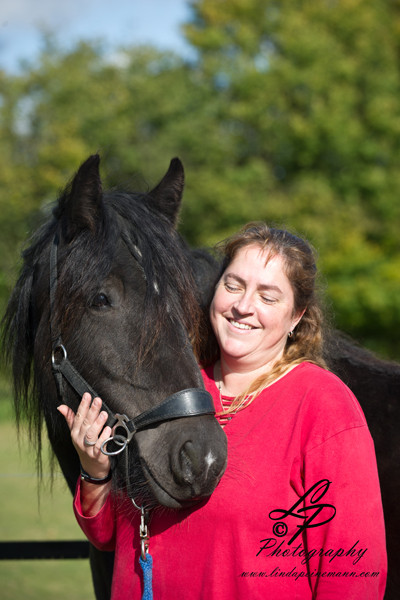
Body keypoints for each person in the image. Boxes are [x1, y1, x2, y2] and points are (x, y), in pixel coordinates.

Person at [58, 222, 387, 599]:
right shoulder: (168, 387)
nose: (244, 307)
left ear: (296, 316)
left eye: (268, 296)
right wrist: (96, 472)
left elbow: (352, 573)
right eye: (233, 285)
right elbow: (113, 537)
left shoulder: (323, 405)